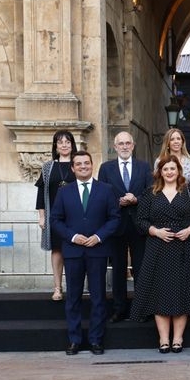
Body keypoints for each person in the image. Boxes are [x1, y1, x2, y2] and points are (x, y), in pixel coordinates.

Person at [131, 155, 190, 353]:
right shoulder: (150, 193)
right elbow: (140, 220)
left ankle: (178, 339)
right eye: (165, 169)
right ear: (160, 171)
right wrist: (155, 231)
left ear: (178, 171)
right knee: (159, 294)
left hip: (184, 247)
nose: (169, 172)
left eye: (172, 169)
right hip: (157, 248)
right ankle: (163, 339)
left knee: (182, 293)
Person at [50, 151, 120, 355]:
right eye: (78, 164)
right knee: (73, 297)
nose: (83, 166)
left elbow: (114, 218)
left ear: (92, 165)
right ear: (72, 168)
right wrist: (72, 237)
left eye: (86, 163)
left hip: (97, 250)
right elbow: (55, 220)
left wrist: (99, 237)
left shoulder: (106, 189)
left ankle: (96, 340)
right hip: (73, 251)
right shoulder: (64, 192)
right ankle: (74, 340)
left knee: (98, 297)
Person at [97, 131, 153, 323]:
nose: (124, 146)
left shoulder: (144, 167)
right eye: (120, 143)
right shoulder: (106, 168)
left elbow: (151, 192)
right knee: (119, 269)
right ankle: (119, 309)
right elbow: (101, 194)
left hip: (139, 224)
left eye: (127, 143)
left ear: (133, 145)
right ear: (115, 146)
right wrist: (116, 202)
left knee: (140, 268)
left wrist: (136, 199)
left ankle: (142, 309)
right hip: (116, 224)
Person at [35, 130, 78, 301]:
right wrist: (42, 216)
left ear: (72, 144)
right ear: (55, 146)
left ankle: (75, 288)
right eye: (60, 142)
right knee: (57, 251)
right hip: (55, 217)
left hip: (75, 216)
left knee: (75, 251)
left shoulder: (78, 164)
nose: (64, 145)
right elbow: (41, 193)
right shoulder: (48, 167)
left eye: (67, 142)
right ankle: (58, 288)